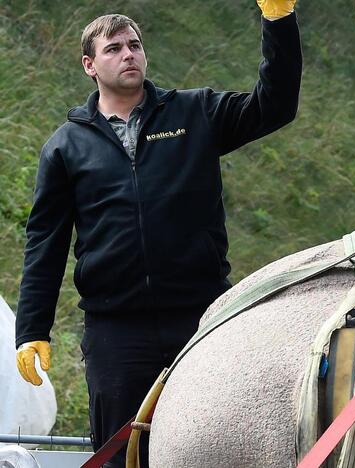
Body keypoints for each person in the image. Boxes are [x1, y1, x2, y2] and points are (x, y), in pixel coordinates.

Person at [14, 0, 301, 465]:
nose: (128, 54)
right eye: (113, 49)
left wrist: (278, 19)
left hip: (202, 320)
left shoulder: (195, 113)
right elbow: (44, 245)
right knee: (120, 455)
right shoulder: (66, 148)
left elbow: (276, 105)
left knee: (218, 448)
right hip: (116, 332)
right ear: (90, 65)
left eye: (134, 45)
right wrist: (31, 330)